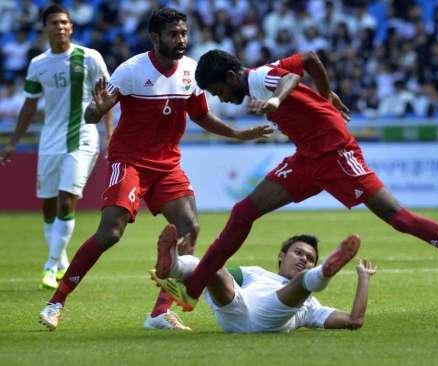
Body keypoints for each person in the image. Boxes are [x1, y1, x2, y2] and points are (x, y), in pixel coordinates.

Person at [151, 49, 438, 313]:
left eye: (218, 91)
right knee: (244, 211)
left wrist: (276, 100)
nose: (222, 99)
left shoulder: (259, 81)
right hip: (309, 158)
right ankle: (192, 289)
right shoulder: (259, 77)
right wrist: (325, 94)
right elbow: (310, 59)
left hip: (336, 154)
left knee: (398, 217)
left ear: (231, 76)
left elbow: (291, 78)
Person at [37, 8, 273, 331]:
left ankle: (160, 312)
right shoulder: (131, 71)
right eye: (174, 34)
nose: (181, 40)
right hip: (130, 161)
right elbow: (93, 114)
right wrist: (96, 108)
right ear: (155, 37)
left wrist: (238, 133)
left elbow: (201, 116)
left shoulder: (190, 71)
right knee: (110, 233)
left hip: (166, 165)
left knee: (189, 227)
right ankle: (56, 302)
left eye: (184, 33)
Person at [0, 5, 113, 290]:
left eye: (65, 23)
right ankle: (61, 259)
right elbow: (29, 104)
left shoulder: (90, 57)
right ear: (45, 28)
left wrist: (110, 135)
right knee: (49, 205)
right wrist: (13, 142)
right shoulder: (38, 64)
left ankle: (50, 265)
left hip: (84, 136)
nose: (60, 27)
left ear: (72, 27)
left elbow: (106, 98)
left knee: (66, 200)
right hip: (50, 139)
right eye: (54, 23)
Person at [151, 225, 375, 333]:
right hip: (236, 310)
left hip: (269, 318)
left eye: (309, 259)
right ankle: (176, 265)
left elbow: (354, 321)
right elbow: (211, 273)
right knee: (213, 266)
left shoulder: (310, 306)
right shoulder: (255, 273)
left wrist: (364, 278)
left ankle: (324, 272)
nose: (303, 259)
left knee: (302, 284)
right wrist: (185, 280)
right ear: (281, 256)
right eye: (298, 253)